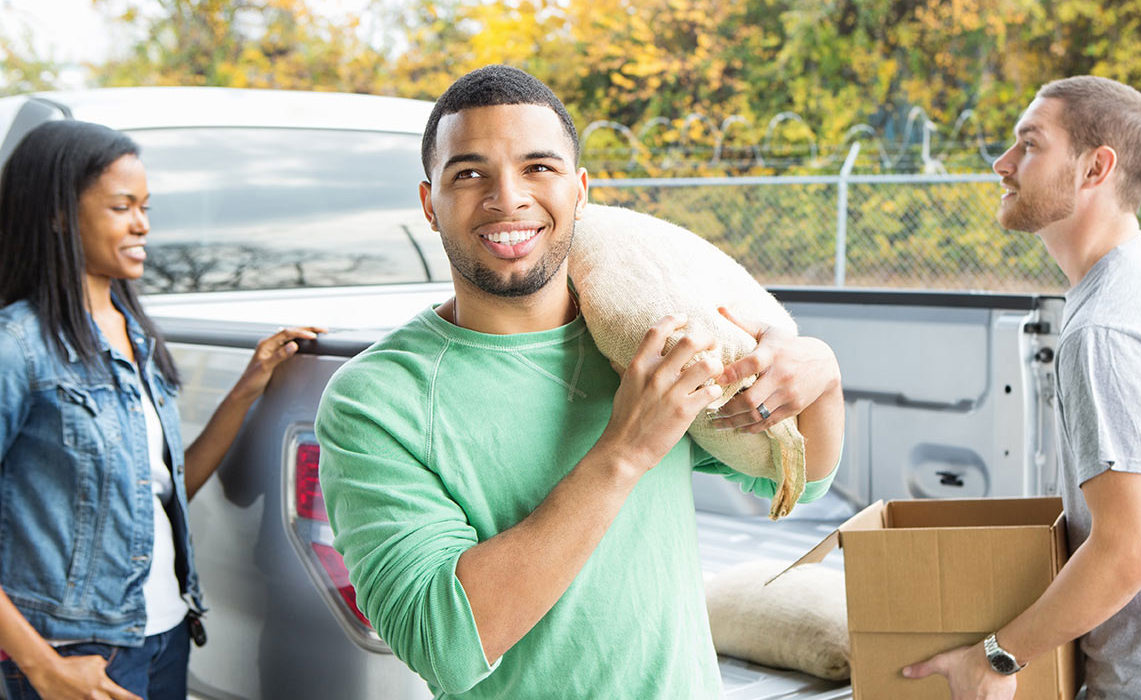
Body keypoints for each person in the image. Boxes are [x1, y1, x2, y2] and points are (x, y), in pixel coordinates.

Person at [313, 65, 845, 698]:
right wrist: (624, 452)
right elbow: (444, 644)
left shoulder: (642, 337)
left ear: (580, 190)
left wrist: (823, 376)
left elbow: (800, 479)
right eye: (470, 173)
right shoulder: (374, 400)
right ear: (431, 204)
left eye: (538, 167)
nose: (507, 197)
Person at [902, 76, 1141, 699]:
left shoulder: (1107, 327)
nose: (1002, 165)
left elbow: (1131, 551)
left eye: (1029, 145)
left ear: (1095, 168)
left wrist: (998, 657)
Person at [0, 120, 323, 700]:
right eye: (121, 206)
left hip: (167, 633)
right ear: (56, 214)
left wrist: (250, 385)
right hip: (75, 652)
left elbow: (170, 488)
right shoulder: (16, 348)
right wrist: (44, 668)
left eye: (144, 206)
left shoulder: (138, 336)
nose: (142, 224)